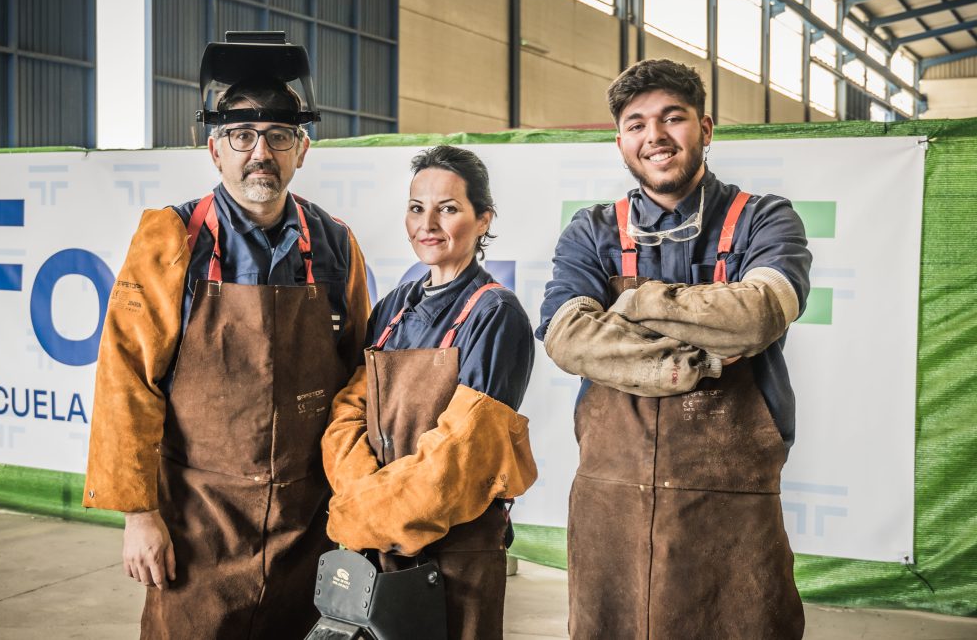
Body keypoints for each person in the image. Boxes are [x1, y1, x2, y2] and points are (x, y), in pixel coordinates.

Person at [82, 34, 370, 639]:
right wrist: (140, 515)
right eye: (241, 136)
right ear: (215, 151)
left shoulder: (338, 247)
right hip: (197, 526)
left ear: (302, 151)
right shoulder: (173, 241)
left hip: (307, 525)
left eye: (278, 136)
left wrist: (357, 510)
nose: (259, 152)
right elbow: (126, 381)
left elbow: (359, 386)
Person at [538, 59, 811, 638]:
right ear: (620, 143)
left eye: (673, 118)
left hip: (731, 497)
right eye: (636, 124)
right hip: (610, 496)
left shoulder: (766, 218)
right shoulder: (591, 231)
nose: (654, 137)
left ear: (705, 129)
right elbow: (565, 335)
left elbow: (757, 315)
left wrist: (632, 306)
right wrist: (695, 361)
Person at [321, 145, 538, 639]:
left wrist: (366, 514)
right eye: (417, 207)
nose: (428, 223)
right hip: (377, 539)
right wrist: (365, 502)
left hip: (454, 550)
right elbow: (349, 414)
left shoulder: (495, 314)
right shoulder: (394, 306)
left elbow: (461, 459)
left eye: (449, 208)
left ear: (483, 219)